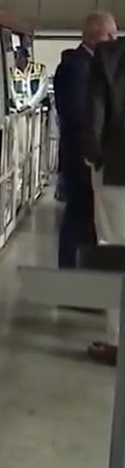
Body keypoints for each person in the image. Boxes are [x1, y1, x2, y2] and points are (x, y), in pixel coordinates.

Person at [54, 11, 117, 270]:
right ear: (94, 35)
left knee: (86, 221)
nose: (114, 39)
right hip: (80, 159)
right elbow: (81, 116)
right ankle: (72, 276)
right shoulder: (76, 68)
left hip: (86, 158)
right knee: (79, 218)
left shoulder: (88, 67)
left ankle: (81, 277)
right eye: (110, 34)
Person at [86, 34, 125, 365]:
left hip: (117, 172)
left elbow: (95, 113)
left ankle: (117, 340)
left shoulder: (110, 55)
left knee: (114, 252)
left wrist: (94, 158)